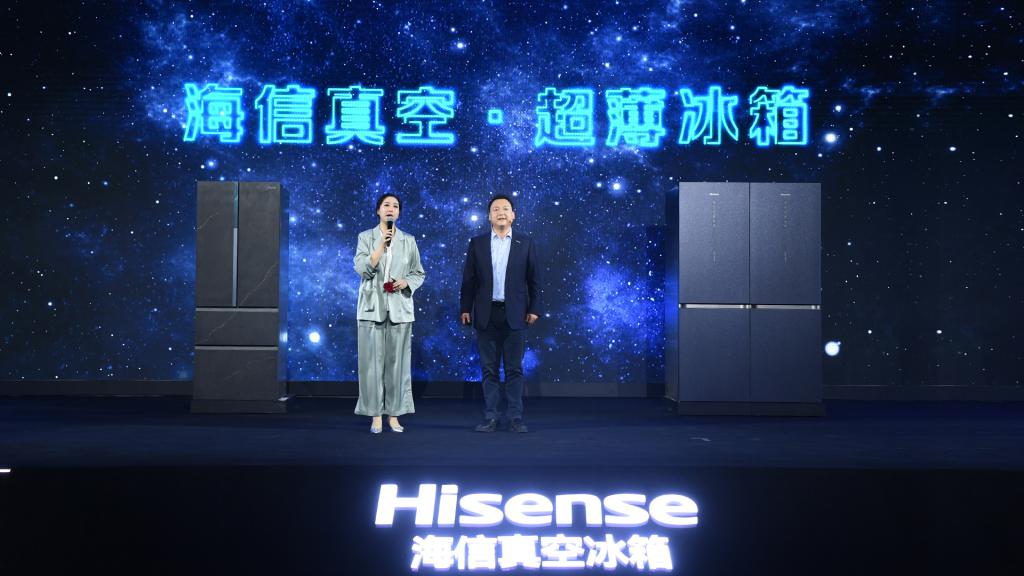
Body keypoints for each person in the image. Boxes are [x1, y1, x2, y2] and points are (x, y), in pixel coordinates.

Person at [460, 194, 542, 433]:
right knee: (489, 369)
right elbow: (469, 280)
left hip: (516, 314)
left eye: (506, 208)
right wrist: (465, 308)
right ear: (489, 216)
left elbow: (534, 280)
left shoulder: (525, 243)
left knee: (514, 369)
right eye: (496, 209)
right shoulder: (477, 243)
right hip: (486, 314)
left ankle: (515, 417)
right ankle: (491, 417)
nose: (501, 212)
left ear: (513, 215)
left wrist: (534, 308)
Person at [353, 193, 425, 433]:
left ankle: (394, 415)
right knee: (371, 366)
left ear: (399, 212)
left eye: (395, 206)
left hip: (400, 310)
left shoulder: (409, 240)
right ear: (378, 210)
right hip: (371, 308)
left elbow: (418, 273)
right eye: (386, 205)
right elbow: (362, 269)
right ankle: (375, 415)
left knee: (397, 366)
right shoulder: (366, 237)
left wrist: (406, 282)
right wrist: (381, 246)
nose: (391, 209)